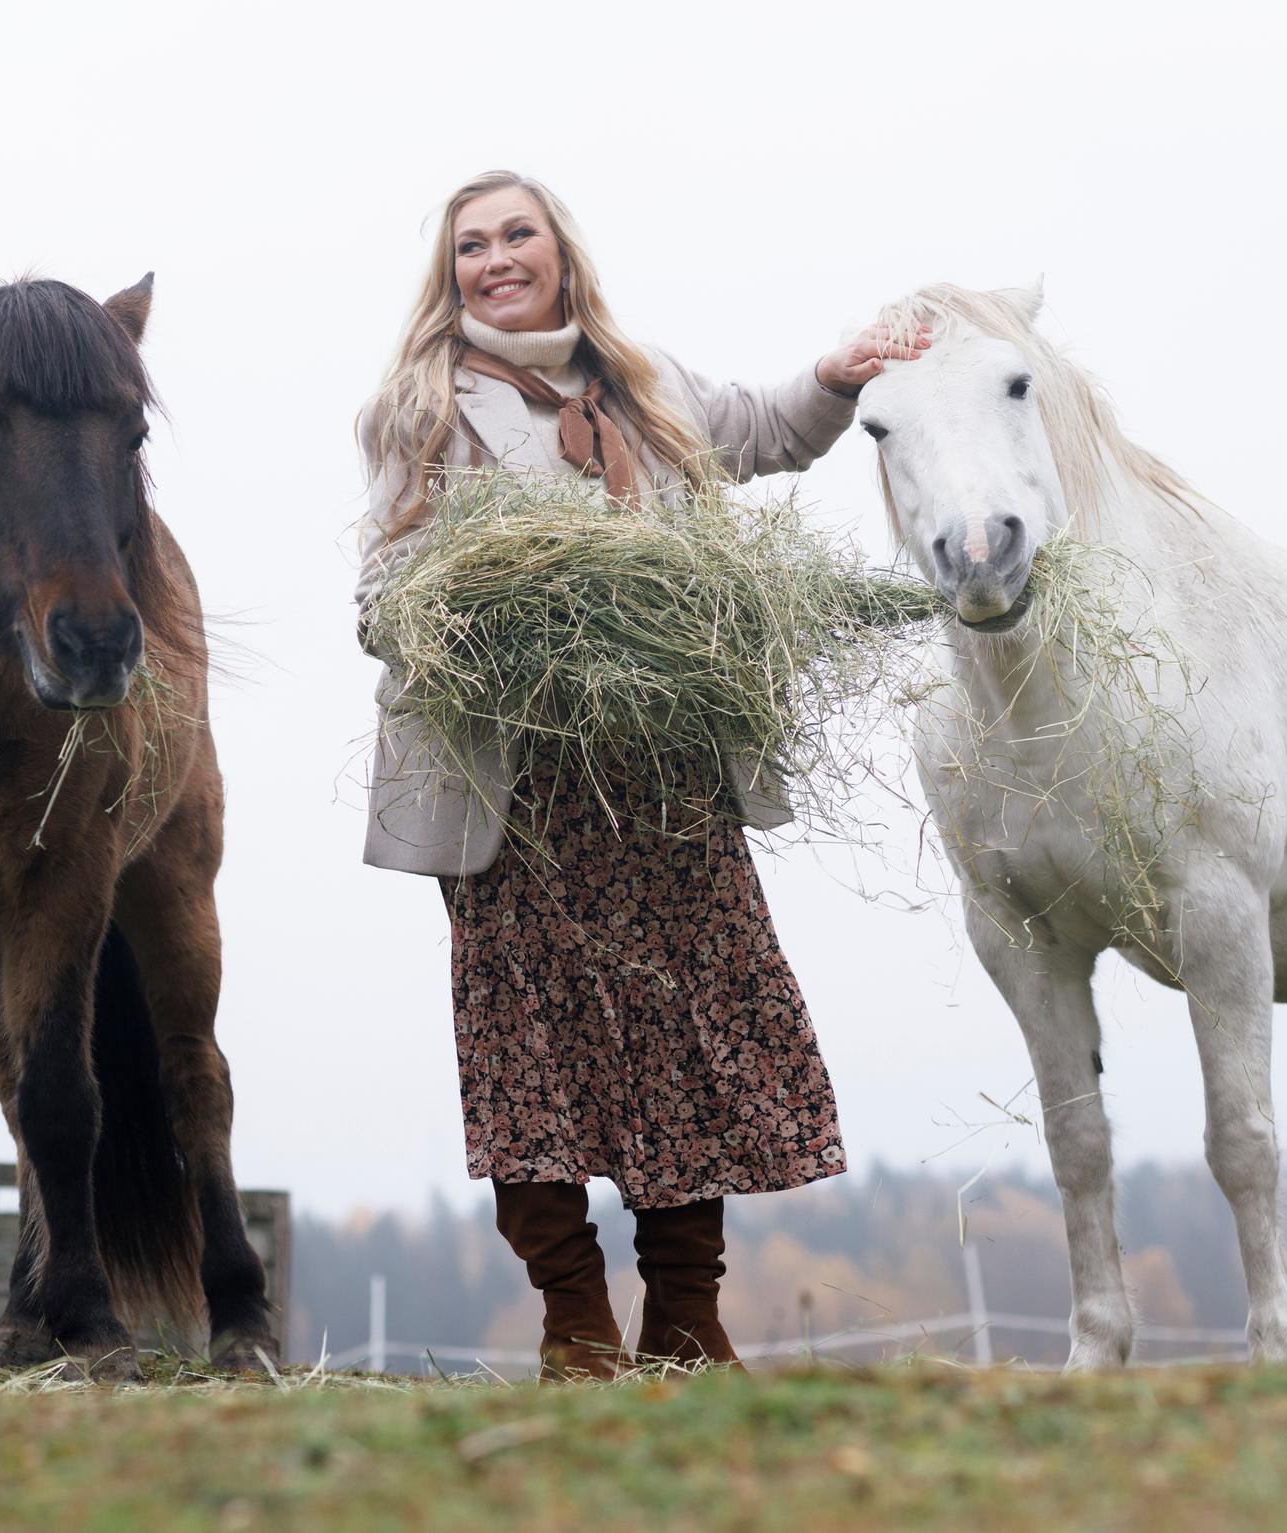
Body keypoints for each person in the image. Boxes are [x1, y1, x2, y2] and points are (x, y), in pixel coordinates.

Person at [352, 170, 926, 1377]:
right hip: (522, 790)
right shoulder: (422, 409)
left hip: (664, 779)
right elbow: (382, 596)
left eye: (519, 235)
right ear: (449, 273)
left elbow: (768, 433)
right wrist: (497, 607)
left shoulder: (644, 382)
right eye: (471, 246)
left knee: (689, 1041)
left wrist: (840, 372)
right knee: (531, 1053)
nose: (496, 260)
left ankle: (686, 1321)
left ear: (562, 254)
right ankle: (575, 1325)